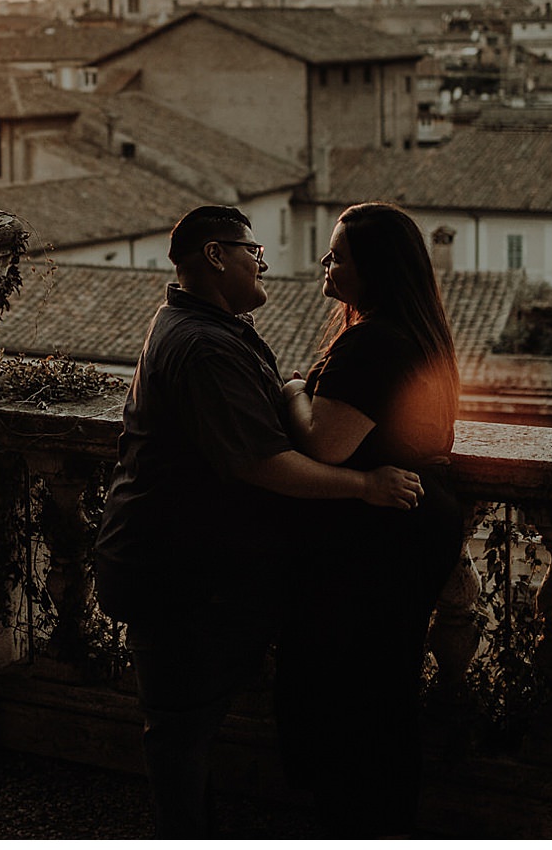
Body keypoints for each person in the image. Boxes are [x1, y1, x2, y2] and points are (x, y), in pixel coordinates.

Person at [93, 205, 424, 838]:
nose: (263, 260)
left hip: (181, 564)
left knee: (181, 726)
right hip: (175, 569)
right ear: (216, 256)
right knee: (179, 732)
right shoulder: (204, 345)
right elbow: (264, 463)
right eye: (252, 249)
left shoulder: (206, 327)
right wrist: (364, 484)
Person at [273, 201, 469, 837]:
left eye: (339, 255)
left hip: (377, 540)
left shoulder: (373, 342)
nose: (326, 263)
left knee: (354, 696)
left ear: (375, 268)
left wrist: (294, 390)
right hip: (411, 526)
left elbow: (324, 444)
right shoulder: (418, 334)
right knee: (385, 691)